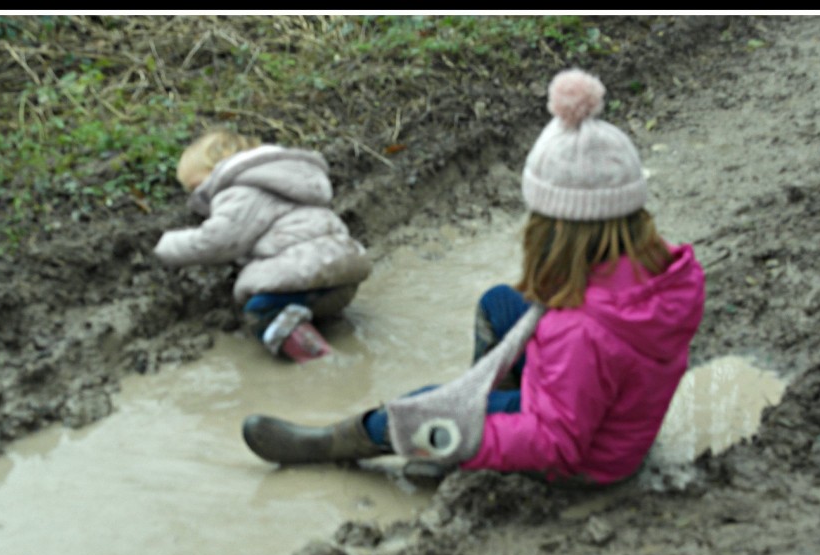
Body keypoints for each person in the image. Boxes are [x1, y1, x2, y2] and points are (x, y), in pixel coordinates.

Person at [242, 67, 706, 485]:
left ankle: (335, 442)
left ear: (555, 229)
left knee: (424, 407)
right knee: (501, 303)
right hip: (613, 420)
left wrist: (458, 434)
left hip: (586, 463)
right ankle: (483, 394)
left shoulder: (578, 330)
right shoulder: (664, 272)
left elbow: (557, 443)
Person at [154, 130, 372, 362]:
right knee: (313, 310)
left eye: (197, 187)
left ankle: (320, 360)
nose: (197, 198)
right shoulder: (294, 179)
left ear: (219, 169)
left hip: (302, 271)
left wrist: (163, 246)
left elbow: (219, 242)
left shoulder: (239, 191)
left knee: (260, 311)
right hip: (345, 271)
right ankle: (327, 329)